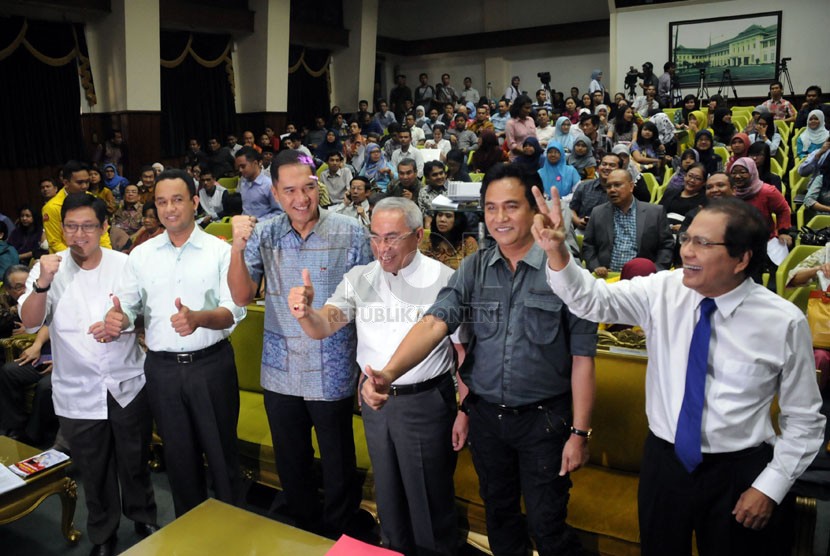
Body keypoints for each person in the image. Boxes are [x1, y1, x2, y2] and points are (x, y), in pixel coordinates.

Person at [536, 188, 825, 556]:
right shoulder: (664, 288)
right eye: (686, 237)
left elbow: (805, 420)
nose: (686, 250)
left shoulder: (783, 322)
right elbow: (591, 300)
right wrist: (557, 250)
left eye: (703, 243)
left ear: (741, 259)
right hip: (665, 463)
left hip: (738, 470)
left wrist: (770, 485)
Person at [362, 163, 597, 556]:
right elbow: (436, 323)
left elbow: (583, 360)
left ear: (535, 209)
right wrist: (389, 373)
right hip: (488, 419)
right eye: (490, 208)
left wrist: (580, 433)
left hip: (544, 422)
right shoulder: (474, 267)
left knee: (546, 524)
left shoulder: (568, 274)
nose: (499, 218)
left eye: (511, 206)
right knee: (500, 519)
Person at [290, 197, 465, 554]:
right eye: (375, 237)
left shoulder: (443, 279)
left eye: (392, 238)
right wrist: (306, 313)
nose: (381, 248)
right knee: (387, 498)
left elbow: (463, 351)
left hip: (426, 402)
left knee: (430, 502)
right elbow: (325, 325)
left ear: (418, 234)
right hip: (376, 404)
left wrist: (466, 409)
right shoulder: (363, 278)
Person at [228, 149, 372, 538]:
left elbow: (370, 302)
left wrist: (366, 368)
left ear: (318, 186)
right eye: (289, 190)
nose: (300, 198)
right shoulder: (265, 233)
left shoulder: (350, 231)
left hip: (334, 363)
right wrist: (237, 248)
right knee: (292, 462)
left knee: (339, 462)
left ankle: (340, 535)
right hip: (281, 368)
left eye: (308, 187)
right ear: (275, 193)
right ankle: (305, 532)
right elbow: (242, 297)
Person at [102, 169, 247, 518]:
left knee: (223, 457)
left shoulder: (218, 250)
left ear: (195, 202)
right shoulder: (142, 254)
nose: (169, 209)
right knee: (179, 462)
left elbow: (234, 309)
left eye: (177, 200)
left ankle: (234, 536)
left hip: (211, 366)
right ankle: (192, 535)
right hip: (163, 370)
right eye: (161, 201)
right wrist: (118, 319)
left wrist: (199, 318)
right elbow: (128, 307)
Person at [21, 194, 159, 556]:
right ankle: (103, 533)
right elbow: (30, 320)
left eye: (88, 226)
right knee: (94, 469)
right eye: (71, 226)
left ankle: (143, 514)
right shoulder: (48, 267)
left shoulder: (124, 264)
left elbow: (143, 311)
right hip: (77, 389)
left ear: (103, 228)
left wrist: (124, 321)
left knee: (134, 459)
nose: (79, 234)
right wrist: (42, 284)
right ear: (61, 227)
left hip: (127, 382)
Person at [582, 169, 674, 276]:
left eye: (617, 185)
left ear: (631, 186)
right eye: (608, 186)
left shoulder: (655, 212)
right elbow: (588, 245)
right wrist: (596, 266)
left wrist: (656, 271)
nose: (612, 190)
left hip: (643, 278)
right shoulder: (598, 212)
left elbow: (666, 246)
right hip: (607, 277)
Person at [43, 161, 112, 253]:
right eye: (80, 182)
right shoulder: (52, 207)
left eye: (87, 182)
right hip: (66, 258)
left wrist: (106, 254)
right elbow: (55, 243)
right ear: (66, 182)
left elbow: (102, 233)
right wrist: (81, 256)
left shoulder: (93, 199)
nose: (85, 186)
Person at [236, 147, 282, 220]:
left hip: (265, 228)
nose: (240, 170)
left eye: (243, 166)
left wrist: (258, 221)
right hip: (245, 227)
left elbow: (280, 212)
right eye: (238, 167)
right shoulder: (243, 183)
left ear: (255, 163)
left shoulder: (269, 185)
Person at [660, 163, 709, 228]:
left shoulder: (705, 201)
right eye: (690, 176)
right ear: (685, 176)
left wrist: (684, 227)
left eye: (697, 178)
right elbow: (657, 213)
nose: (692, 180)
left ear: (704, 183)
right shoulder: (671, 192)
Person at [505, 94, 537, 161]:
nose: (529, 111)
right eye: (526, 108)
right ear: (518, 108)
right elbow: (512, 146)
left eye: (530, 108)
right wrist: (527, 153)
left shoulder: (531, 120)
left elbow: (535, 139)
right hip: (517, 158)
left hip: (533, 156)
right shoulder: (510, 123)